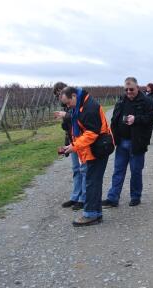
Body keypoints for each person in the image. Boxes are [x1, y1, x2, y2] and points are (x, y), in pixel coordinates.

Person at [59, 86, 114, 227]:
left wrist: (75, 146)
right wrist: (71, 145)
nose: (67, 106)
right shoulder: (80, 105)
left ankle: (90, 215)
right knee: (93, 180)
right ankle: (96, 213)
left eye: (68, 102)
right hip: (92, 149)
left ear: (73, 96)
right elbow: (78, 128)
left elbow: (91, 133)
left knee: (91, 181)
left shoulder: (89, 107)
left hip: (98, 148)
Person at [103, 77, 153, 207]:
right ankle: (113, 198)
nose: (128, 92)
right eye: (126, 89)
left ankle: (135, 196)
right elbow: (115, 119)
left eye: (131, 89)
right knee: (118, 171)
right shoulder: (121, 101)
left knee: (136, 171)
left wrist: (136, 119)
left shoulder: (147, 101)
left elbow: (152, 118)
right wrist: (114, 136)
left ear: (137, 88)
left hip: (137, 142)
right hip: (121, 142)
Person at [53, 82, 86, 211]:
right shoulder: (66, 106)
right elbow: (68, 127)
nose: (59, 96)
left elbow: (79, 119)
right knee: (76, 169)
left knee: (83, 169)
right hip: (72, 140)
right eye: (57, 94)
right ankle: (75, 197)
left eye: (60, 92)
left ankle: (83, 198)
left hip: (81, 140)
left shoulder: (77, 103)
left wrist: (66, 116)